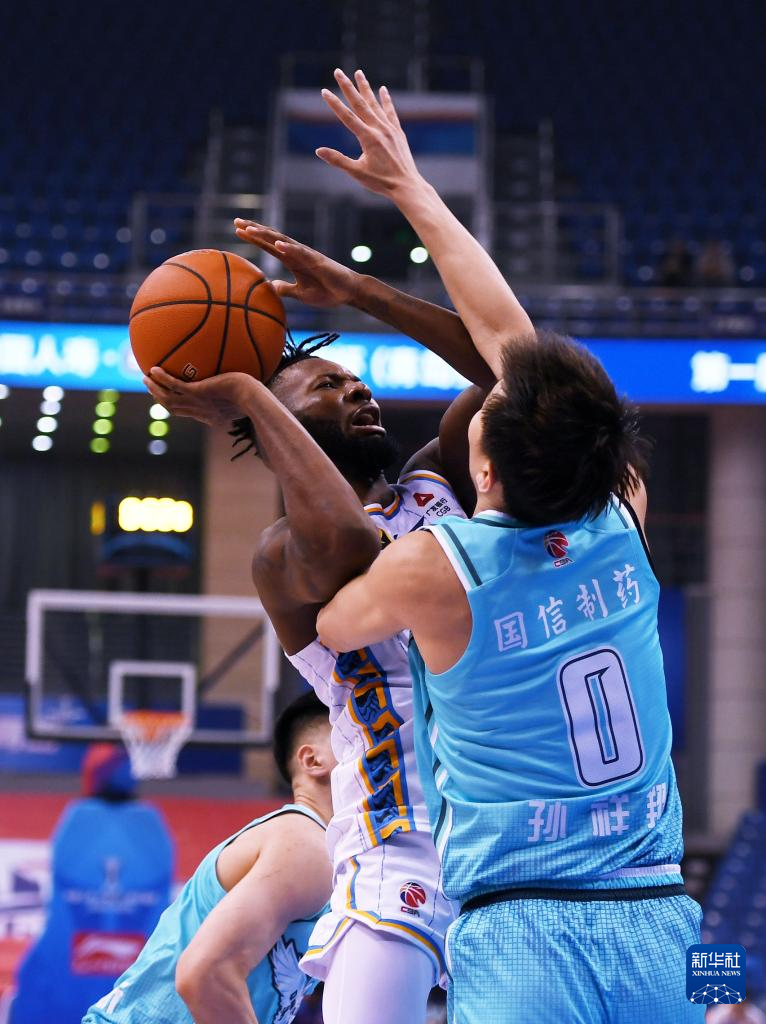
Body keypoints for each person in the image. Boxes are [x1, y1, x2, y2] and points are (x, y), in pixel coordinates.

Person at [315, 72, 703, 1023]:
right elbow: (511, 342)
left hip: (523, 931)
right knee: (724, 1000)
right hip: (671, 921)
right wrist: (409, 190)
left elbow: (332, 624)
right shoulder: (623, 513)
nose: (489, 391)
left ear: (482, 473)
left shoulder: (437, 566)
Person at [83, 692, 335, 1024]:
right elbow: (205, 974)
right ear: (313, 760)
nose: (384, 759)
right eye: (360, 742)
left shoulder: (316, 848)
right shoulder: (305, 843)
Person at [10, 745, 172, 1024]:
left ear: (90, 778)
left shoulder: (76, 821)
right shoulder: (152, 825)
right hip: (141, 998)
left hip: (60, 1000)